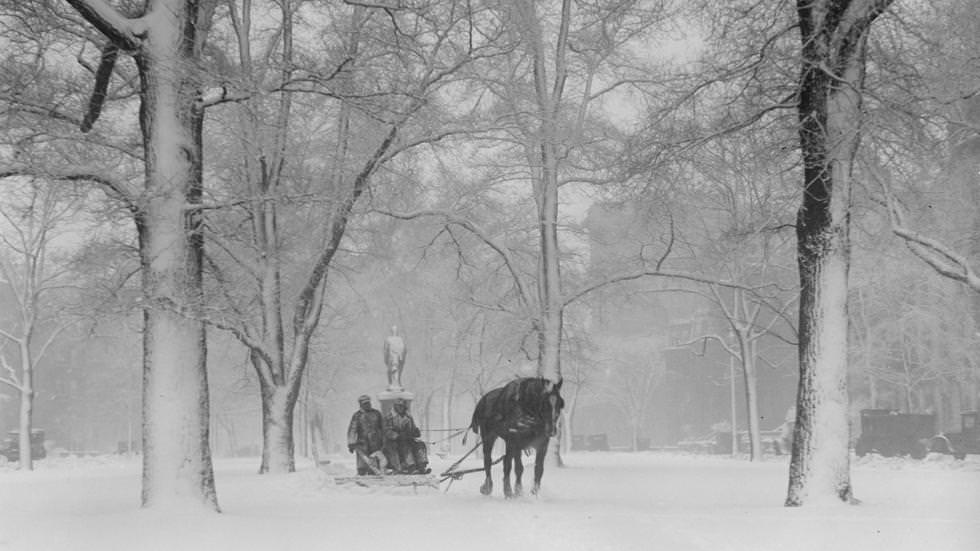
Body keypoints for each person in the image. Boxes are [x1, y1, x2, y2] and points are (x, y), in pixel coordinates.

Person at [383, 398, 430, 474]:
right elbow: (387, 431)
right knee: (406, 447)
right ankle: (411, 466)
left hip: (408, 439)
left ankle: (422, 465)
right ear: (395, 406)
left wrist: (416, 432)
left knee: (420, 444)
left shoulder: (408, 417)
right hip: (394, 442)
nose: (401, 408)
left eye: (402, 406)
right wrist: (397, 436)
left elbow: (413, 428)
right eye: (399, 406)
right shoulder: (389, 417)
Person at [347, 395, 385, 475]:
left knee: (375, 463)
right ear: (361, 404)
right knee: (362, 464)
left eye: (368, 403)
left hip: (376, 442)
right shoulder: (357, 415)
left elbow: (383, 427)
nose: (367, 404)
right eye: (365, 403)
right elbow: (352, 429)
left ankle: (376, 476)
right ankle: (361, 474)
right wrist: (351, 443)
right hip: (362, 443)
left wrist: (384, 439)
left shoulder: (376, 413)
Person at [383, 326, 406, 390]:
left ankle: (394, 383)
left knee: (394, 371)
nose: (394, 332)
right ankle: (393, 383)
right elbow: (386, 350)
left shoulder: (397, 339)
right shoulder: (389, 339)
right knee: (392, 371)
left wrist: (400, 356)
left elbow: (402, 348)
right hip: (393, 358)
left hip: (394, 358)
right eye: (394, 330)